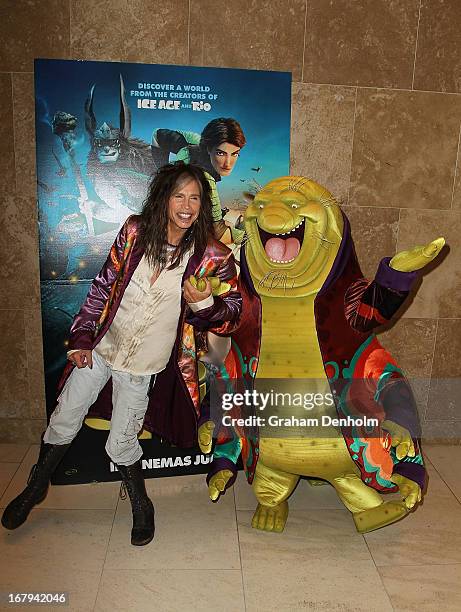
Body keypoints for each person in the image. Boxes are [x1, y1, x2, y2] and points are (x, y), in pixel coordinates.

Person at [1, 163, 242, 546]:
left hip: (144, 365)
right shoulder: (134, 230)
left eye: (194, 197)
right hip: (101, 348)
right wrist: (81, 337)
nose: (186, 205)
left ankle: (142, 505)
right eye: (179, 195)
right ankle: (36, 488)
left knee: (121, 442)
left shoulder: (213, 255)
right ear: (163, 197)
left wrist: (205, 304)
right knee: (64, 417)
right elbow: (103, 285)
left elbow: (232, 317)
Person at [151, 117, 246, 243]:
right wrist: (248, 237)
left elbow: (157, 134)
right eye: (220, 153)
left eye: (234, 154)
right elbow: (220, 234)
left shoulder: (195, 140)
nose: (228, 163)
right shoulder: (206, 178)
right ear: (208, 149)